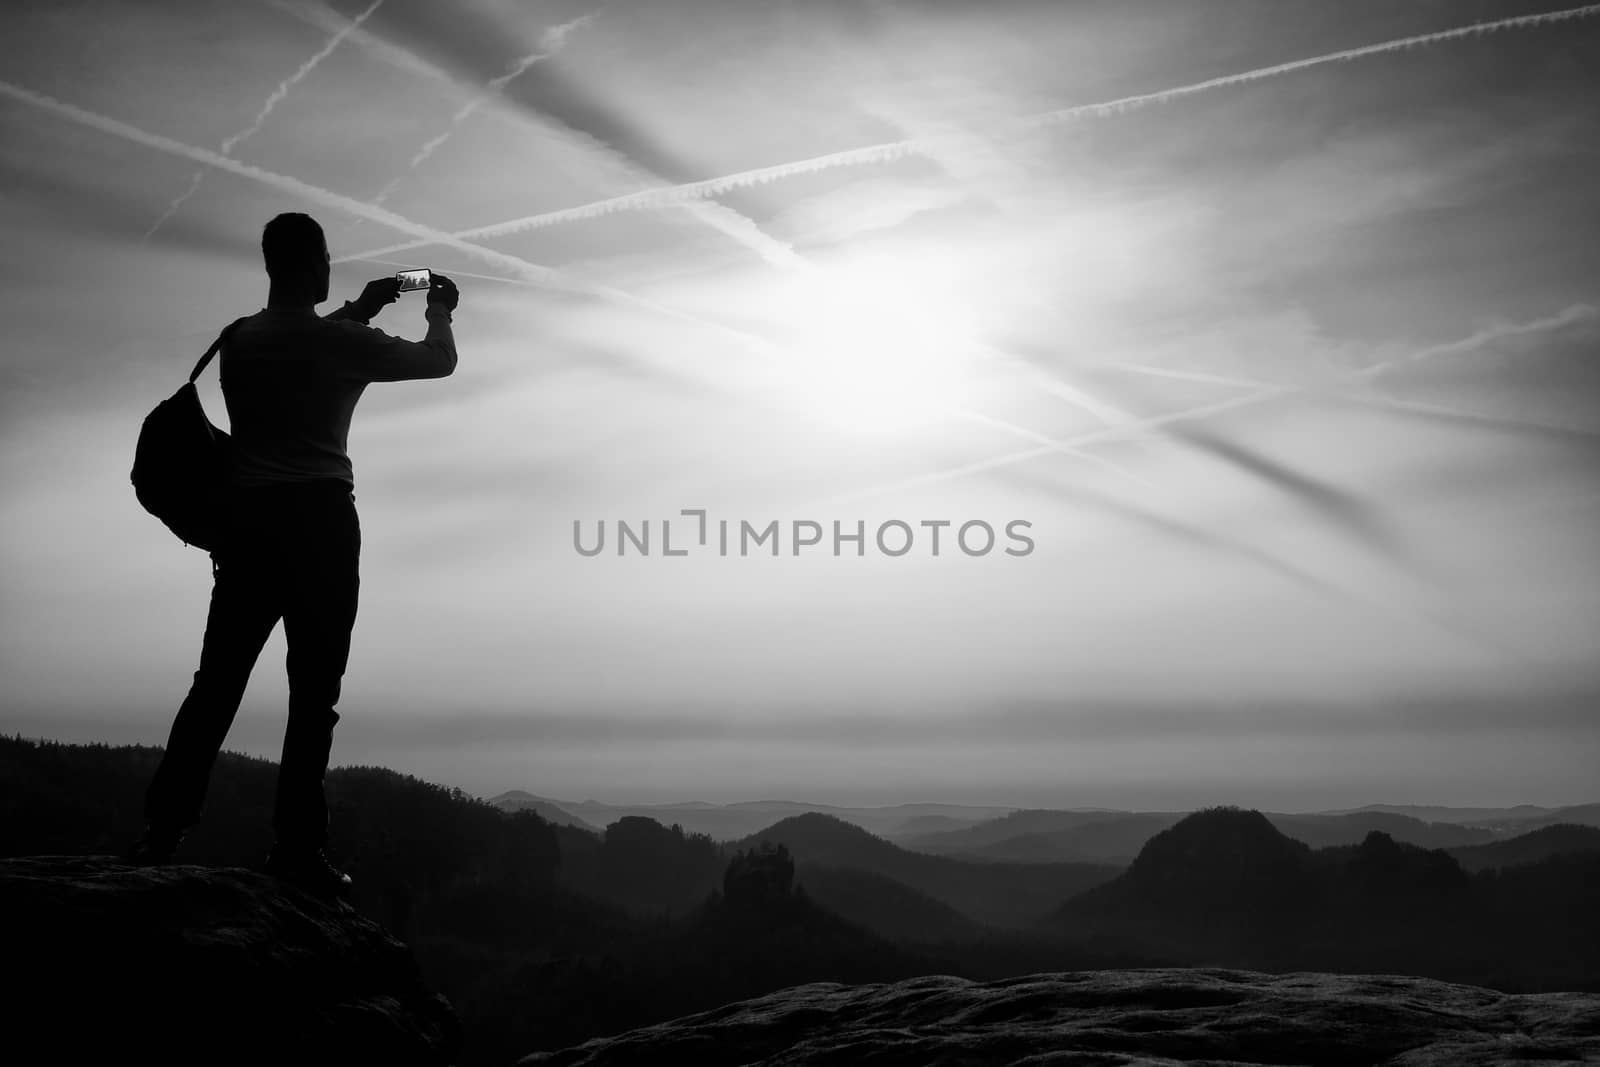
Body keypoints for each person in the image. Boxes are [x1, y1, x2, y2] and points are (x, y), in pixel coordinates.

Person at [124, 212, 460, 898]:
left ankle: (160, 830)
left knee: (216, 682)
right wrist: (439, 307)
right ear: (312, 265)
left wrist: (361, 307)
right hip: (320, 526)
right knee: (313, 696)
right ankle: (298, 849)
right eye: (327, 258)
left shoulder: (239, 341)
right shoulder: (341, 342)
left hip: (247, 529)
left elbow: (304, 335)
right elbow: (438, 361)